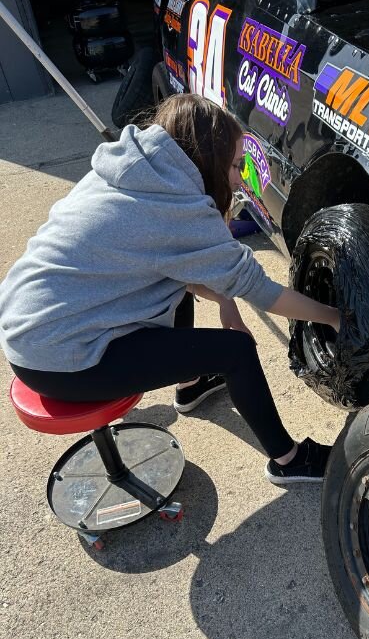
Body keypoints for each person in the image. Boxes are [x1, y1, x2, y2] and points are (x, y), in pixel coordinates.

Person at [0, 94, 340, 485]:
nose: (237, 177)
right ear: (207, 161)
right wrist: (335, 318)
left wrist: (226, 303)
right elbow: (261, 290)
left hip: (31, 327)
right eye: (233, 165)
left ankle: (190, 385)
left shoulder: (135, 169)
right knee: (237, 353)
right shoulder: (177, 210)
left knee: (172, 285)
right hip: (63, 360)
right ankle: (289, 460)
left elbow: (179, 264)